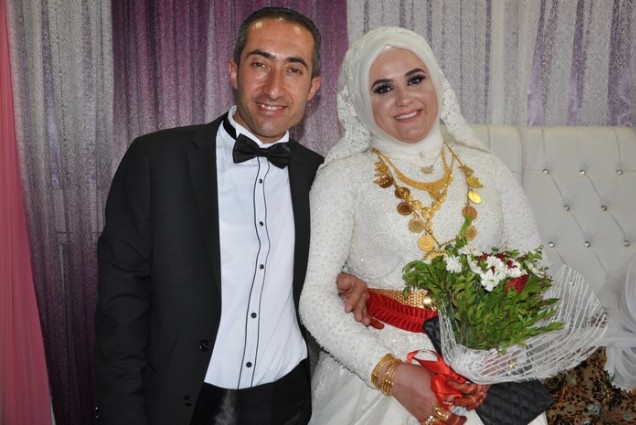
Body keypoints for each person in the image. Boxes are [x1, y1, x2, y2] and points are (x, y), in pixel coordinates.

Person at [94, 7, 369, 425]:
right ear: (234, 72)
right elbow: (121, 310)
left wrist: (351, 282)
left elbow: (320, 275)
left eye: (293, 70)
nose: (274, 87)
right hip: (184, 405)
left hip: (289, 404)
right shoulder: (156, 160)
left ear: (313, 87)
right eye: (260, 64)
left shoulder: (323, 176)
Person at [299, 27, 548, 425]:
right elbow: (314, 295)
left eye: (415, 79)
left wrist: (503, 353)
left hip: (489, 369)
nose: (404, 99)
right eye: (383, 88)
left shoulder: (489, 168)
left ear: (437, 83)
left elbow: (534, 270)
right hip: (385, 371)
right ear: (362, 102)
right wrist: (392, 375)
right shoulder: (342, 179)